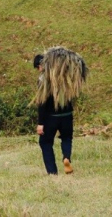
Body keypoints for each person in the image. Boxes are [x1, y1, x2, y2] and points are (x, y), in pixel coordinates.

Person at [34, 47, 87, 175]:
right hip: (67, 115)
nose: (38, 70)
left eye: (38, 67)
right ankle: (66, 158)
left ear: (42, 65)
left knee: (45, 143)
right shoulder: (66, 78)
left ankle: (52, 173)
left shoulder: (44, 80)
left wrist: (40, 123)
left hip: (51, 117)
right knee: (67, 138)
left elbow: (42, 103)